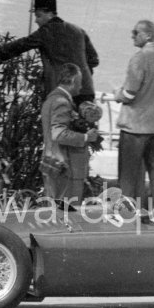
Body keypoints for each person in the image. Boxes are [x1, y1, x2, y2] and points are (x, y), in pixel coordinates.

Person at [0, 0, 99, 106]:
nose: (36, 20)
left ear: (50, 14)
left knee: (57, 122)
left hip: (61, 91)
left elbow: (22, 44)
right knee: (83, 122)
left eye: (38, 16)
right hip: (86, 90)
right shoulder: (79, 30)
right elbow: (94, 60)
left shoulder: (46, 31)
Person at [114, 20, 154, 208]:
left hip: (135, 128)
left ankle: (127, 218)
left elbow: (129, 93)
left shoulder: (139, 58)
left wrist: (117, 94)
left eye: (135, 32)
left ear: (147, 35)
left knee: (129, 179)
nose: (132, 36)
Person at [40, 63, 99, 205]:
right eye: (79, 82)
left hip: (52, 162)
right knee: (67, 212)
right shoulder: (62, 102)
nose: (81, 86)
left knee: (55, 210)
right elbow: (59, 134)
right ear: (73, 81)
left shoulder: (52, 99)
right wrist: (86, 137)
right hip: (65, 167)